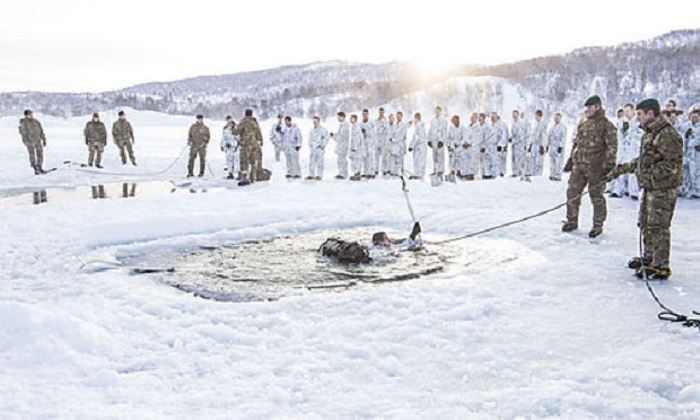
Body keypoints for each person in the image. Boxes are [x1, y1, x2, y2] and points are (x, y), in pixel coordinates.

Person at [608, 99, 684, 280]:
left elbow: (671, 165)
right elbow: (642, 161)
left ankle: (661, 266)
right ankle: (650, 258)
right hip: (651, 187)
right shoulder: (650, 133)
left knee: (659, 226)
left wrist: (647, 175)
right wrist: (619, 171)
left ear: (650, 114)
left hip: (663, 189)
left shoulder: (667, 135)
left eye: (640, 115)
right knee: (646, 223)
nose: (638, 119)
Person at [562, 95, 618, 238]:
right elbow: (577, 143)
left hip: (596, 168)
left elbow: (612, 147)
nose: (586, 110)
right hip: (579, 166)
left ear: (597, 107)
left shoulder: (607, 125)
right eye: (586, 108)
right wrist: (571, 160)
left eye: (589, 107)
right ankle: (571, 220)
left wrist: (609, 166)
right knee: (572, 193)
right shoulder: (583, 123)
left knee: (597, 197)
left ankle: (597, 225)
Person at [318, 222, 422, 264]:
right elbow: (404, 246)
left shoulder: (390, 246)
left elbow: (405, 243)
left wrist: (413, 233)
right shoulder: (374, 248)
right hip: (377, 259)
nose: (388, 240)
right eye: (385, 239)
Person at [233, 109, 264, 185]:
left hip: (246, 145)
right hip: (254, 145)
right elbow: (259, 133)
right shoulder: (255, 122)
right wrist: (260, 141)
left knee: (244, 161)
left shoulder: (243, 122)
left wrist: (234, 128)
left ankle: (245, 178)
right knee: (253, 162)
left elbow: (236, 132)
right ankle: (253, 178)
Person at [18, 109, 47, 175]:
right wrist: (26, 141)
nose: (31, 115)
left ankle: (39, 167)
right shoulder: (24, 123)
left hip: (38, 140)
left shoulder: (36, 121)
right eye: (29, 114)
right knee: (32, 155)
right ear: (26, 115)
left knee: (40, 154)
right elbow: (23, 133)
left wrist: (44, 139)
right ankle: (35, 168)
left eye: (31, 114)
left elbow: (41, 130)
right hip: (30, 142)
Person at [683, 109, 700, 198]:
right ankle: (685, 190)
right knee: (685, 171)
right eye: (692, 117)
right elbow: (682, 138)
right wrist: (686, 135)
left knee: (696, 172)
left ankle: (697, 190)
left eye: (696, 117)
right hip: (687, 152)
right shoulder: (686, 126)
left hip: (696, 152)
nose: (694, 119)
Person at [307, 116, 329, 180]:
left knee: (320, 162)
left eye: (316, 121)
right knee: (311, 162)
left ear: (319, 121)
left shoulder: (323, 130)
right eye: (314, 121)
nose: (315, 123)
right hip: (313, 149)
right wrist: (310, 145)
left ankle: (319, 175)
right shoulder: (311, 130)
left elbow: (326, 138)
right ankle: (311, 175)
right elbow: (310, 139)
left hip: (319, 148)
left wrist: (322, 145)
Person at [428, 106, 448, 179]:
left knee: (440, 156)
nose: (437, 112)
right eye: (436, 111)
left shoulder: (444, 120)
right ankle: (435, 170)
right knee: (434, 157)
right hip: (433, 141)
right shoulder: (433, 120)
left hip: (440, 141)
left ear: (441, 111)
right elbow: (430, 130)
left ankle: (440, 170)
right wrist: (429, 140)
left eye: (438, 111)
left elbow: (444, 131)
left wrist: (442, 141)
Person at [546, 112, 567, 181]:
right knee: (552, 162)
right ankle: (552, 174)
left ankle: (557, 175)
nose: (556, 119)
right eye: (555, 118)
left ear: (560, 118)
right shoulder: (552, 127)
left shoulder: (562, 127)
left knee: (558, 162)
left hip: (558, 147)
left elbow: (563, 137)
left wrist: (561, 146)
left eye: (557, 118)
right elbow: (549, 137)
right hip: (552, 147)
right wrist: (547, 145)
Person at [408, 112, 427, 180]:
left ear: (416, 118)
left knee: (417, 160)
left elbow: (416, 137)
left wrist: (411, 146)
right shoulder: (421, 125)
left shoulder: (418, 126)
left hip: (419, 146)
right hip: (421, 145)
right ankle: (419, 174)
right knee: (420, 160)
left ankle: (418, 174)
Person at [481, 113, 500, 179]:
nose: (492, 118)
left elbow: (502, 136)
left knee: (494, 161)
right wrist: (484, 146)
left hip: (495, 146)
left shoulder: (499, 126)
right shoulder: (490, 126)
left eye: (494, 117)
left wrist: (500, 145)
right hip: (488, 146)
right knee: (487, 160)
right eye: (491, 117)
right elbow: (486, 137)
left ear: (497, 117)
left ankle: (495, 175)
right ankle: (487, 174)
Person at [221, 116, 240, 180]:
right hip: (229, 147)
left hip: (236, 147)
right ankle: (230, 173)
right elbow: (223, 138)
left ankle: (238, 173)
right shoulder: (226, 130)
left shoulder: (237, 128)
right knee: (229, 160)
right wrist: (223, 145)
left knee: (237, 160)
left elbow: (239, 138)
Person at [332, 111, 350, 179]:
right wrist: (334, 135)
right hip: (341, 145)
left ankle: (343, 174)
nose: (338, 119)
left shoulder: (345, 125)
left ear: (343, 117)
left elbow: (341, 137)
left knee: (342, 160)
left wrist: (334, 136)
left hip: (343, 145)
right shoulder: (342, 125)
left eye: (339, 117)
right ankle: (342, 173)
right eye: (338, 117)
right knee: (340, 160)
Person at [529, 110, 547, 177]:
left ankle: (538, 175)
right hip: (534, 144)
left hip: (539, 145)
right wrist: (531, 144)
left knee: (538, 161)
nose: (535, 117)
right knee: (532, 160)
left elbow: (544, 136)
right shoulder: (536, 124)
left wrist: (542, 146)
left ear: (539, 116)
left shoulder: (542, 124)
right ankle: (533, 173)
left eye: (536, 116)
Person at [359, 109, 376, 178]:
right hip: (364, 142)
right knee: (364, 157)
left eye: (366, 114)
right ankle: (365, 172)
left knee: (370, 157)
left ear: (368, 114)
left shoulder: (371, 122)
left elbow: (374, 132)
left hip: (370, 141)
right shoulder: (360, 123)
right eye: (363, 114)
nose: (364, 115)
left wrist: (366, 131)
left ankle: (371, 172)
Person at [390, 111, 408, 176]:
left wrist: (394, 140)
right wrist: (391, 139)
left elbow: (402, 136)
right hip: (394, 145)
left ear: (402, 117)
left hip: (400, 144)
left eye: (399, 116)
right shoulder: (394, 125)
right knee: (394, 159)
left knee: (400, 159)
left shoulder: (403, 125)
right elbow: (392, 133)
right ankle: (394, 172)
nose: (398, 117)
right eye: (397, 116)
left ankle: (400, 172)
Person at [510, 110, 527, 178]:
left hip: (519, 144)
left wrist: (514, 140)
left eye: (515, 114)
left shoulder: (520, 123)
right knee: (514, 159)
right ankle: (515, 172)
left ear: (518, 115)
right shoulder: (514, 123)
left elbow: (520, 136)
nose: (514, 116)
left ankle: (519, 173)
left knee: (519, 159)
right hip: (514, 145)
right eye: (513, 114)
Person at [464, 113, 479, 180]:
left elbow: (475, 138)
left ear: (476, 118)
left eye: (474, 117)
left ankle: (472, 174)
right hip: (467, 146)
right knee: (467, 160)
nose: (472, 118)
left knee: (473, 160)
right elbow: (466, 135)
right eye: (471, 117)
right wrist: (464, 143)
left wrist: (469, 143)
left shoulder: (477, 127)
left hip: (473, 146)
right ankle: (467, 173)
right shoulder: (469, 126)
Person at [375, 107, 390, 175]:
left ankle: (384, 170)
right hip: (377, 139)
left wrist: (381, 130)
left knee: (384, 156)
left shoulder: (385, 121)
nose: (381, 113)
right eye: (380, 112)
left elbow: (386, 130)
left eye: (382, 112)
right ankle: (376, 169)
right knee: (376, 156)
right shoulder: (376, 120)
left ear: (383, 112)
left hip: (383, 140)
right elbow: (374, 129)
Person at [349, 114, 364, 181]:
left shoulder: (356, 127)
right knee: (354, 161)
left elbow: (357, 138)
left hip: (357, 148)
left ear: (355, 119)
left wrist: (355, 147)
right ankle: (356, 173)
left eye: (352, 118)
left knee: (357, 161)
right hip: (354, 148)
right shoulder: (353, 127)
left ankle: (357, 174)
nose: (350, 120)